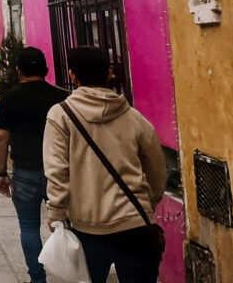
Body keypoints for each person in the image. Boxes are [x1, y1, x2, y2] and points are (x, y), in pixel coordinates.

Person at [43, 46, 167, 283]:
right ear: (109, 74)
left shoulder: (60, 115)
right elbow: (157, 167)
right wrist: (150, 199)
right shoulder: (133, 116)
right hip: (135, 224)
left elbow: (57, 170)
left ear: (72, 76)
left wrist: (56, 212)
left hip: (88, 228)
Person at [0, 47, 69, 283]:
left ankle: (37, 278)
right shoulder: (62, 98)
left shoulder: (10, 98)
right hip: (59, 173)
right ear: (46, 70)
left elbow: (2, 139)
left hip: (25, 171)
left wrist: (1, 172)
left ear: (18, 71)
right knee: (65, 225)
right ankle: (73, 271)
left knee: (28, 227)